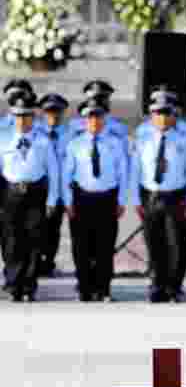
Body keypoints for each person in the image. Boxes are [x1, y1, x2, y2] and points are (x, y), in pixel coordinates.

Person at [129, 93, 186, 303]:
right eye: (158, 114)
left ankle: (174, 286)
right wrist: (135, 199)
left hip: (176, 197)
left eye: (166, 114)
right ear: (151, 116)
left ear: (174, 116)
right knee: (154, 243)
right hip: (150, 196)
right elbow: (136, 171)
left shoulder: (184, 142)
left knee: (176, 244)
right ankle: (157, 284)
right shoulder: (143, 141)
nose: (162, 118)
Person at [62, 98, 129, 302]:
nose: (94, 121)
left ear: (104, 119)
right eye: (90, 117)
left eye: (98, 117)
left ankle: (103, 288)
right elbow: (66, 175)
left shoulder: (115, 144)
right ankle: (84, 288)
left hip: (106, 199)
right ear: (84, 120)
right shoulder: (75, 145)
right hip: (82, 199)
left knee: (105, 246)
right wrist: (68, 201)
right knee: (81, 247)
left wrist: (121, 200)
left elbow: (123, 173)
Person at [0, 93, 60, 302]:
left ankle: (29, 285)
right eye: (18, 116)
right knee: (11, 239)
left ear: (33, 116)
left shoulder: (43, 140)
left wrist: (52, 200)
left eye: (26, 115)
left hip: (36, 193)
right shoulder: (3, 138)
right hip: (11, 192)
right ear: (12, 116)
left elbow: (53, 171)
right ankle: (13, 283)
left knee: (34, 239)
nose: (22, 120)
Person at [36, 94, 72, 278]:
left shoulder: (70, 134)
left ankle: (48, 261)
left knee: (53, 228)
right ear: (43, 112)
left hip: (59, 189)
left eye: (57, 111)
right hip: (38, 188)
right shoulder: (35, 133)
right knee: (35, 226)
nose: (53, 115)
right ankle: (34, 262)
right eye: (49, 111)